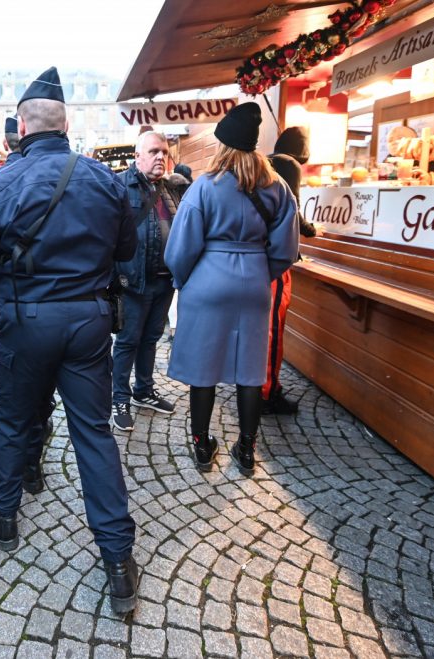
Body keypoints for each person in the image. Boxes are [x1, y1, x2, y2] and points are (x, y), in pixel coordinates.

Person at [0, 66, 140, 614]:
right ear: (67, 123)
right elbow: (126, 253)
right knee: (94, 433)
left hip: (26, 321)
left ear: (20, 126)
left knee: (13, 420)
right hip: (87, 322)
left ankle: (2, 512)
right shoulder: (106, 181)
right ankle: (118, 560)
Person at [165, 102, 298, 477]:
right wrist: (260, 271)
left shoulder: (205, 187)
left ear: (222, 145)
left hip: (209, 281)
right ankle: (246, 448)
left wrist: (184, 280)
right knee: (251, 369)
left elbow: (180, 248)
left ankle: (202, 445)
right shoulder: (277, 187)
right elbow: (287, 249)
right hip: (255, 281)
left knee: (203, 368)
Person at [110, 131, 185, 431]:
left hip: (163, 281)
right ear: (137, 155)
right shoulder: (119, 185)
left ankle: (143, 390)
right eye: (153, 151)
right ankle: (120, 398)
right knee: (127, 342)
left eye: (164, 152)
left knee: (151, 340)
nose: (160, 157)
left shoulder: (170, 188)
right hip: (132, 281)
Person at [262, 126, 318, 416]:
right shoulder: (288, 163)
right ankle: (267, 392)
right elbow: (291, 208)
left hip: (260, 258)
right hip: (276, 262)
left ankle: (259, 386)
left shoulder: (266, 163)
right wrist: (309, 230)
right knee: (272, 328)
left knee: (263, 328)